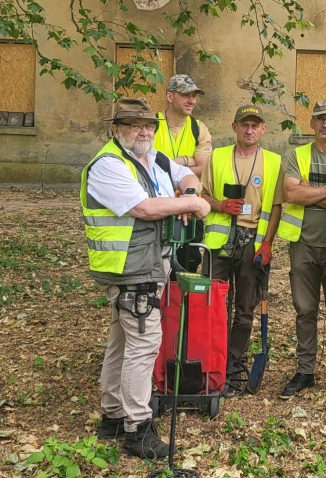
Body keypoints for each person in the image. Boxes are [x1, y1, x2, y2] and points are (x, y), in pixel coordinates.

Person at [82, 97, 210, 460]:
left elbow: (187, 175)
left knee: (121, 342)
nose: (144, 131)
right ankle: (138, 428)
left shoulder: (152, 157)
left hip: (146, 264)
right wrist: (193, 204)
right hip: (129, 268)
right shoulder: (108, 165)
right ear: (116, 129)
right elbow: (144, 208)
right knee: (143, 345)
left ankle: (113, 417)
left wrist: (187, 189)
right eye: (134, 125)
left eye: (149, 125)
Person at [200, 104, 285, 382]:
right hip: (218, 241)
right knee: (212, 300)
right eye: (244, 124)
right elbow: (201, 194)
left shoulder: (273, 161)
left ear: (263, 129)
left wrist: (268, 243)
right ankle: (212, 354)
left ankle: (234, 360)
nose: (249, 130)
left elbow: (276, 206)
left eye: (255, 125)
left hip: (253, 241)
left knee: (245, 305)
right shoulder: (218, 157)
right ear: (234, 127)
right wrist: (220, 205)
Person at [277, 99, 326, 399]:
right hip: (303, 244)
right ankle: (305, 371)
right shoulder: (297, 154)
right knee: (304, 311)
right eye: (320, 119)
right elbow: (292, 193)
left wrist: (310, 194)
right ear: (311, 123)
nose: (325, 124)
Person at [153, 74, 213, 272]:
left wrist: (175, 165)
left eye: (194, 95)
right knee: (155, 265)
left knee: (188, 264)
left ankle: (183, 303)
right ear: (170, 97)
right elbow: (143, 167)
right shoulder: (150, 126)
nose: (192, 100)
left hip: (189, 209)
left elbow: (204, 168)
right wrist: (188, 161)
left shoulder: (198, 128)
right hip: (156, 207)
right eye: (186, 95)